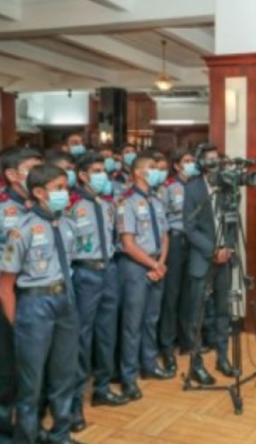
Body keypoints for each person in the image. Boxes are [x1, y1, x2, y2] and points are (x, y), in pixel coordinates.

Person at [0, 163, 80, 444]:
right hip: (34, 306)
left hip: (65, 302)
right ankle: (27, 438)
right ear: (39, 192)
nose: (65, 193)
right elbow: (5, 288)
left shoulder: (68, 222)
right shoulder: (22, 230)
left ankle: (60, 434)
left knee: (63, 376)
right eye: (59, 189)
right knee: (30, 386)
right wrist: (17, 324)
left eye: (66, 187)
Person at [67, 152, 127, 433]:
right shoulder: (70, 202)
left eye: (104, 170)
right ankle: (75, 402)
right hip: (84, 272)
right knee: (82, 338)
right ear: (82, 175)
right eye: (96, 170)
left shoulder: (106, 203)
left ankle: (102, 388)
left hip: (109, 269)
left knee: (107, 332)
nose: (103, 174)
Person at [117, 152, 173, 403]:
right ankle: (129, 377)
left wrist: (160, 262)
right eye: (152, 167)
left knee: (152, 319)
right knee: (133, 324)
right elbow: (127, 244)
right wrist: (153, 264)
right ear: (139, 172)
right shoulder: (126, 201)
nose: (158, 171)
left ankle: (149, 364)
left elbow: (165, 235)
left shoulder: (157, 199)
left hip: (156, 264)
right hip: (135, 266)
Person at [0, 147, 43, 443]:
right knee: (6, 368)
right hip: (5, 294)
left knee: (33, 367)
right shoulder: (0, 207)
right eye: (33, 169)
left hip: (36, 293)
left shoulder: (39, 205)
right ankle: (3, 430)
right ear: (12, 174)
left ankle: (30, 428)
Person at [182, 144, 235, 383]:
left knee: (223, 312)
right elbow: (189, 227)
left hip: (225, 260)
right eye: (210, 160)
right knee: (197, 315)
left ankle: (223, 358)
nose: (216, 163)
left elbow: (233, 221)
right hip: (202, 260)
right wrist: (213, 250)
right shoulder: (192, 189)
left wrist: (228, 248)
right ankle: (196, 364)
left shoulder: (226, 187)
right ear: (202, 164)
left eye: (218, 159)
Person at [159, 148, 197, 372]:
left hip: (192, 243)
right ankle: (167, 345)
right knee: (171, 296)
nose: (191, 164)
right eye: (186, 161)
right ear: (177, 165)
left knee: (189, 294)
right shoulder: (168, 188)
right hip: (174, 242)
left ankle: (187, 341)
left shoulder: (196, 186)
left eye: (192, 160)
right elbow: (162, 219)